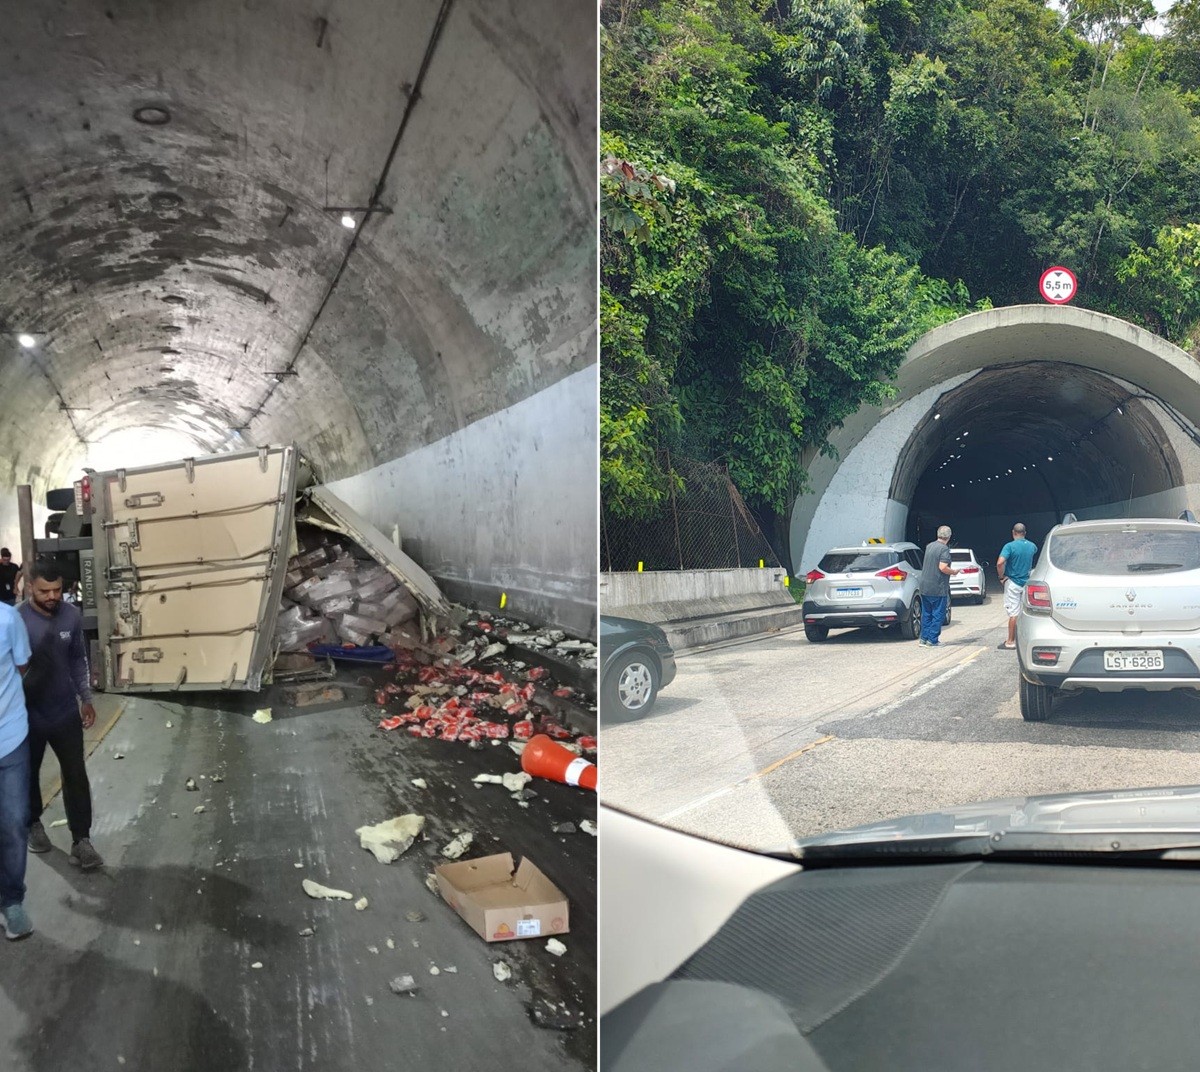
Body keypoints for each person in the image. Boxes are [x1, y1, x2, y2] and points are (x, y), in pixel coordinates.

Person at [19, 561, 103, 870]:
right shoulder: (16, 620)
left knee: (75, 775)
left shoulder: (71, 615)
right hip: (27, 715)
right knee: (27, 773)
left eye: (57, 590)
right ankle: (33, 824)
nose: (52, 596)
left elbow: (78, 658)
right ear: (30, 588)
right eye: (45, 591)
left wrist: (86, 698)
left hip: (64, 711)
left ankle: (81, 840)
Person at [0, 598, 32, 938]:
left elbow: (23, 668)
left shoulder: (8, 620)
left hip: (10, 737)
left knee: (12, 823)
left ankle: (12, 901)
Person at [997, 523, 1038, 651]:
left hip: (1013, 583)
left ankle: (1010, 641)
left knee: (1013, 613)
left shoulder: (1009, 546)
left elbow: (1000, 562)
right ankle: (1026, 639)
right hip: (1026, 582)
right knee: (1026, 612)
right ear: (1025, 533)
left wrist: (1001, 577)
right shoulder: (1032, 546)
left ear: (1013, 532)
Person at [918, 525, 960, 647]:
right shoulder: (944, 549)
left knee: (927, 613)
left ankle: (923, 639)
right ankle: (932, 640)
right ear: (949, 536)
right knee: (938, 614)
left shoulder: (929, 546)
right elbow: (942, 567)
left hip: (925, 586)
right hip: (938, 587)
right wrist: (954, 572)